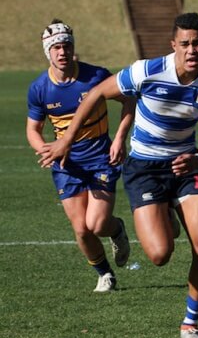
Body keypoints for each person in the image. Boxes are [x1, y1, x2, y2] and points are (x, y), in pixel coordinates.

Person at [38, 12, 198, 338]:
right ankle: (166, 211)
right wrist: (66, 139)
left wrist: (197, 158)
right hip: (144, 168)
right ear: (174, 45)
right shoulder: (147, 70)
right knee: (159, 255)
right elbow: (97, 93)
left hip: (186, 166)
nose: (191, 49)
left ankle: (190, 323)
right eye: (185, 43)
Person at [26, 19, 133, 293]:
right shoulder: (40, 88)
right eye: (56, 48)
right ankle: (104, 274)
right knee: (81, 230)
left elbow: (129, 99)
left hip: (100, 158)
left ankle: (117, 229)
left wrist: (120, 137)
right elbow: (33, 130)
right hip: (66, 164)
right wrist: (46, 151)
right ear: (47, 52)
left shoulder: (96, 77)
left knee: (96, 224)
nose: (62, 52)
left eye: (66, 46)